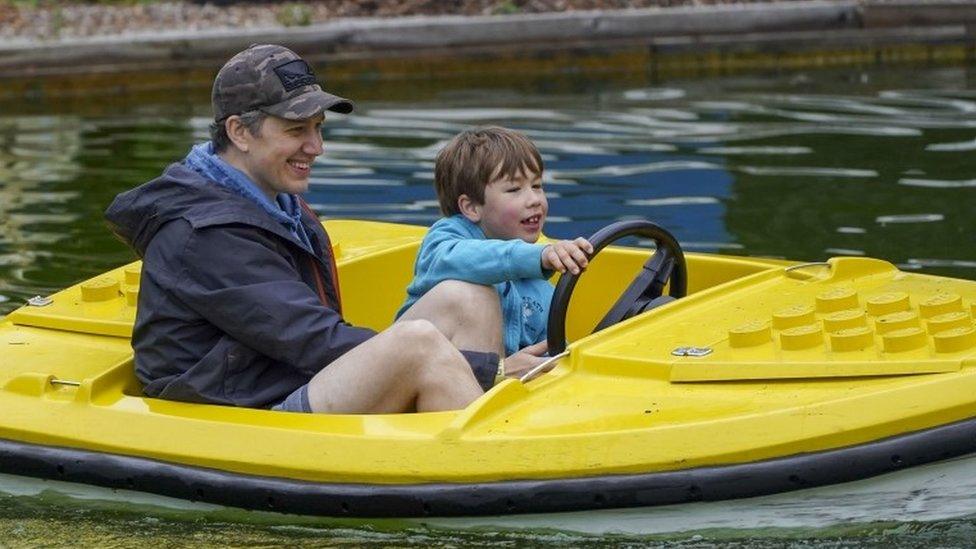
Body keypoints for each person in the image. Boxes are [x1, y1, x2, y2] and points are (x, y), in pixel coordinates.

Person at [104, 44, 539, 415]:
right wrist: (492, 369)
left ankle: (471, 421)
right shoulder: (205, 232)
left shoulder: (274, 203)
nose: (316, 147)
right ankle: (487, 471)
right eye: (297, 130)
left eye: (318, 128)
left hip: (281, 376)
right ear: (239, 131)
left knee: (467, 293)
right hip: (240, 414)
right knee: (418, 344)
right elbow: (312, 340)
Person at [396, 127, 593, 359]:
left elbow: (548, 352)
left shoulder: (541, 290)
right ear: (471, 207)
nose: (534, 200)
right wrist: (537, 257)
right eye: (514, 189)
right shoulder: (446, 240)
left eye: (537, 185)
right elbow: (458, 258)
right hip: (413, 372)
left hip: (488, 382)